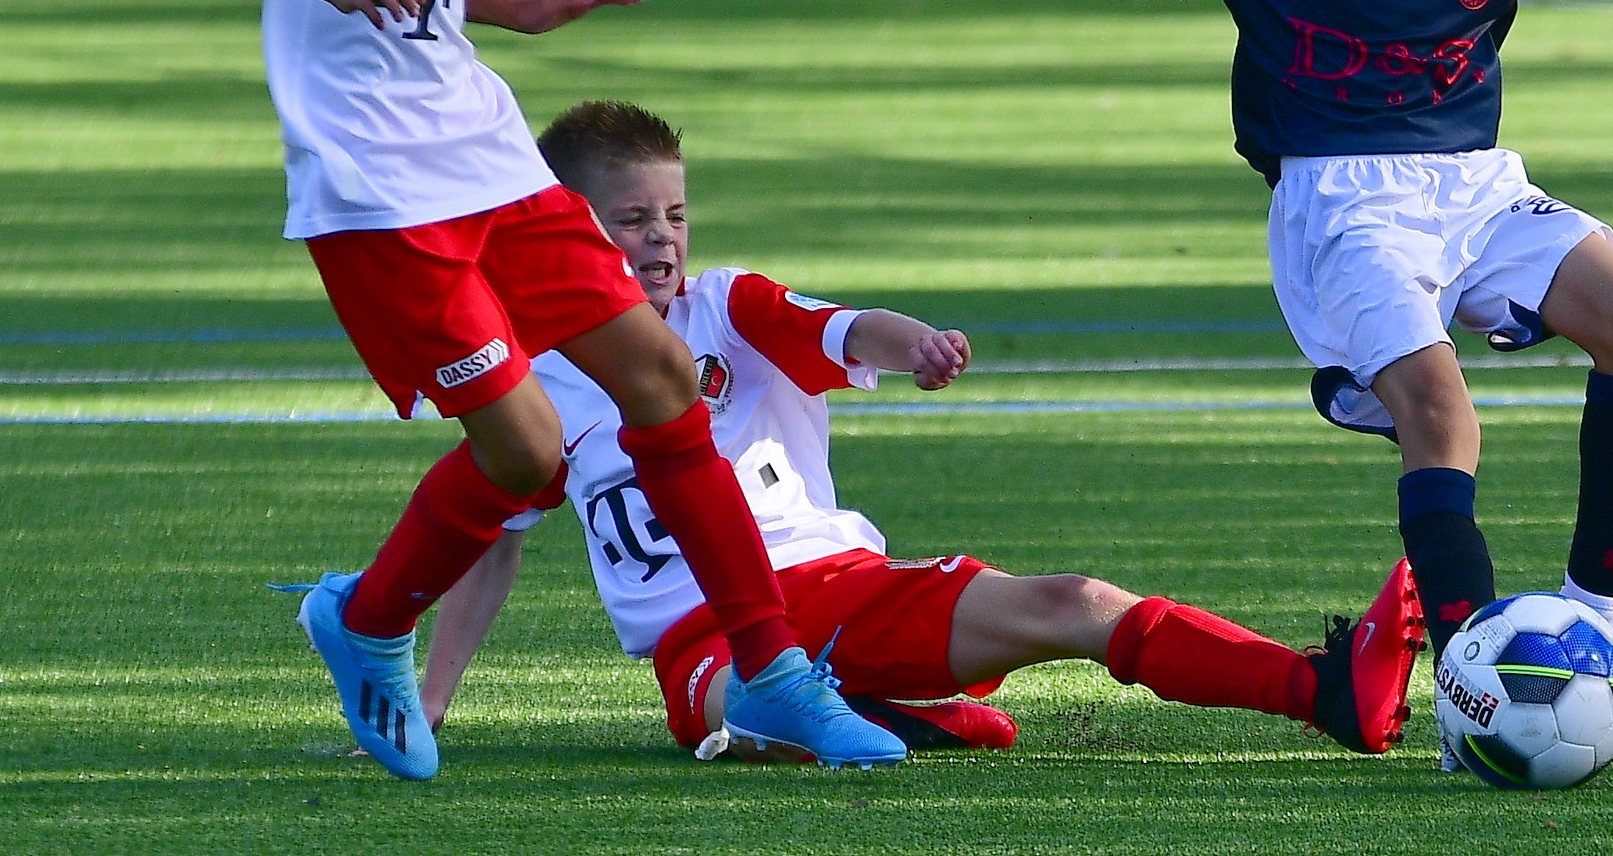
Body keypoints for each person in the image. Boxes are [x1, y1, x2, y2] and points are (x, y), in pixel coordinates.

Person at [201, 0, 902, 778]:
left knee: (663, 375)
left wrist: (514, 12)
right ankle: (365, 620)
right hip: (388, 197)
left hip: (484, 155)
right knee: (524, 453)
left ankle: (778, 675)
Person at [415, 101, 1425, 761]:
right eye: (632, 218)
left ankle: (1324, 690)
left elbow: (846, 327)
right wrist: (431, 704)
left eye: (675, 215)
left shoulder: (728, 309)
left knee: (1072, 601)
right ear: (562, 226)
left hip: (832, 588)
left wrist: (920, 346)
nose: (663, 239)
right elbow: (487, 549)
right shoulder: (533, 376)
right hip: (702, 645)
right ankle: (873, 714)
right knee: (737, 708)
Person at [1073, 0, 1613, 748]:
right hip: (1343, 197)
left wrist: (1504, 279)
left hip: (1476, 181)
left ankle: (1600, 625)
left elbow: (1468, 56)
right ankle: (1471, 675)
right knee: (1445, 419)